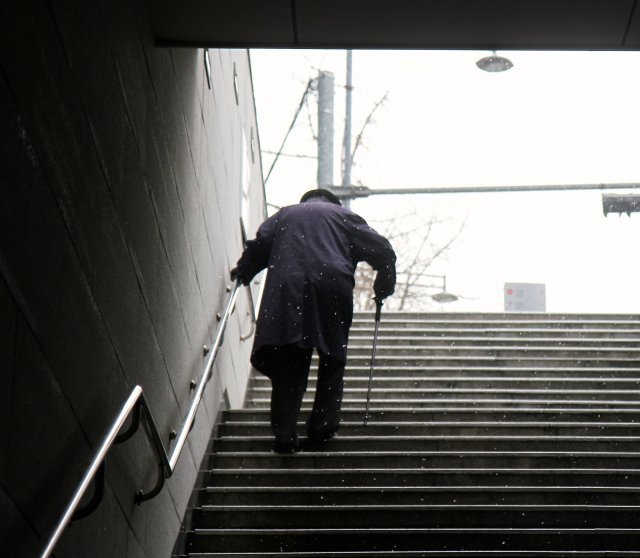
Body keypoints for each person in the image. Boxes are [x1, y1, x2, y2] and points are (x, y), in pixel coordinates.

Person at [232, 189, 396, 453]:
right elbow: (383, 250)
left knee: (289, 358)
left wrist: (244, 271)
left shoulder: (286, 214)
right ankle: (322, 426)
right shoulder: (344, 216)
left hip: (288, 286)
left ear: (306, 201)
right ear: (333, 202)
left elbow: (260, 244)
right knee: (332, 356)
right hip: (331, 285)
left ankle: (285, 435)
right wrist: (383, 287)